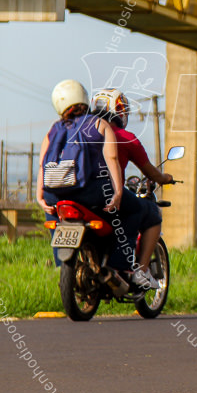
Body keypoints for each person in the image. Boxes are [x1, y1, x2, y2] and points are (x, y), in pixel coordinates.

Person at [37, 80, 141, 273]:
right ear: (85, 99)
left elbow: (43, 164)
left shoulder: (53, 130)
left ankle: (62, 266)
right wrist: (118, 192)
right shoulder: (99, 124)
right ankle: (120, 265)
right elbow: (112, 158)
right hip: (92, 193)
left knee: (50, 212)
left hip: (56, 195)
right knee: (136, 210)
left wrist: (40, 196)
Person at [91, 88, 174, 291]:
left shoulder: (82, 133)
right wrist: (165, 178)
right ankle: (140, 271)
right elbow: (152, 173)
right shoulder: (125, 137)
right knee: (151, 213)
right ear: (118, 111)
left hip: (84, 194)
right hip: (110, 195)